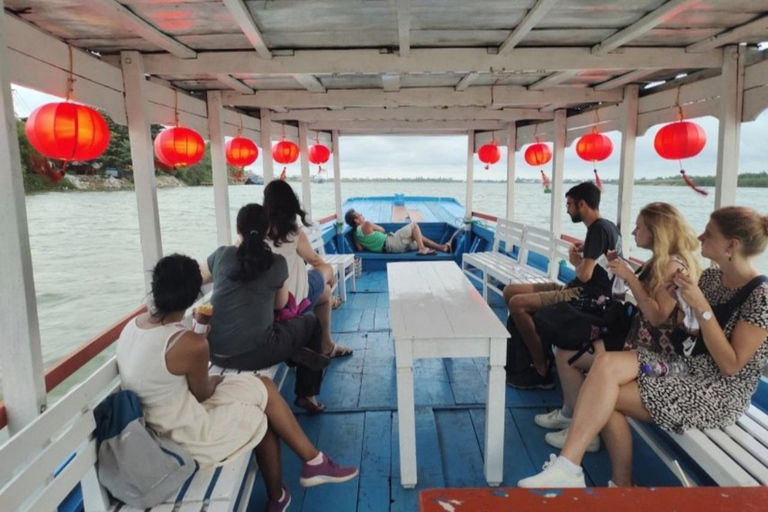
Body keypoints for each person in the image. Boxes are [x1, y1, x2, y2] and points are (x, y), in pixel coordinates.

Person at [518, 206, 768, 488]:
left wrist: (700, 306)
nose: (699, 238)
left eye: (709, 234)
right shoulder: (711, 279)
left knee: (605, 395)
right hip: (680, 366)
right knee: (605, 366)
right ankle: (571, 467)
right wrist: (682, 307)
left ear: (731, 245)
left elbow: (731, 365)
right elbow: (688, 331)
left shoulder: (761, 297)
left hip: (718, 390)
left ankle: (614, 483)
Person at [116, 254, 358, 512]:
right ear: (193, 295)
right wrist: (213, 368)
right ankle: (279, 495)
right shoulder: (189, 344)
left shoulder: (133, 325)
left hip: (162, 414)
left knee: (264, 386)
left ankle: (314, 461)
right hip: (181, 433)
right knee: (262, 419)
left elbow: (169, 374)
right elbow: (202, 392)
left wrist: (202, 346)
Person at [536, 202, 701, 454]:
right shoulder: (659, 261)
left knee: (570, 355)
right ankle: (571, 415)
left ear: (657, 232)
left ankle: (583, 430)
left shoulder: (673, 266)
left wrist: (631, 278)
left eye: (639, 227)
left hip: (657, 355)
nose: (634, 233)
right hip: (636, 339)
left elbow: (658, 317)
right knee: (564, 351)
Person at [201, 203, 329, 414]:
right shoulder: (276, 262)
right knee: (312, 322)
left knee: (279, 331)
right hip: (256, 352)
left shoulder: (221, 255)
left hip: (213, 352)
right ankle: (307, 394)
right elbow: (280, 305)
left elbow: (200, 276)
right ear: (268, 230)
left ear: (237, 229)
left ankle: (295, 352)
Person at [505, 182, 622, 390]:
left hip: (584, 295)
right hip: (573, 287)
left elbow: (585, 276)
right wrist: (582, 255)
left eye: (569, 204)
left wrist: (574, 260)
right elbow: (597, 266)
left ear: (582, 204)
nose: (567, 209)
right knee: (510, 291)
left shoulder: (598, 229)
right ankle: (536, 350)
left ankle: (542, 368)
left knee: (517, 304)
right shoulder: (608, 227)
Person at [264, 180, 353, 359]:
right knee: (326, 271)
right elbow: (313, 259)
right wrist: (326, 271)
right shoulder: (293, 233)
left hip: (265, 305)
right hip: (291, 301)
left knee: (326, 292)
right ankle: (326, 346)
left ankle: (325, 344)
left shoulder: (257, 232)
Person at [344, 208, 453, 255]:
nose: (362, 215)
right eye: (359, 214)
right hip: (391, 242)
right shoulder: (366, 224)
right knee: (414, 225)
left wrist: (372, 241)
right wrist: (374, 228)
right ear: (356, 220)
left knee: (418, 238)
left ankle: (442, 247)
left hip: (389, 248)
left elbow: (360, 248)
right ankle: (422, 249)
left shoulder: (356, 236)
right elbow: (382, 230)